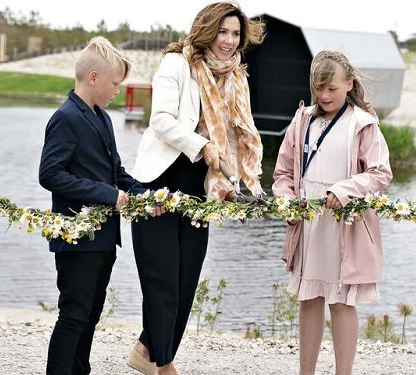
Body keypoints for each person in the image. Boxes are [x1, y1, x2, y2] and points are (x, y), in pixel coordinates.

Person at [127, 2, 265, 374]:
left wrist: (234, 182)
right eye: (223, 31)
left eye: (236, 34)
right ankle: (163, 363)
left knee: (186, 280)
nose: (229, 40)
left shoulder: (237, 77)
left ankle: (146, 349)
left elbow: (235, 139)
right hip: (159, 181)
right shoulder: (176, 64)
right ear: (207, 29)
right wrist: (201, 146)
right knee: (162, 278)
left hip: (199, 189)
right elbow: (160, 121)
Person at [272, 50, 393, 375]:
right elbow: (282, 174)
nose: (324, 96)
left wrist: (344, 190)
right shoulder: (302, 121)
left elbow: (381, 173)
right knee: (309, 300)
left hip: (345, 226)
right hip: (309, 225)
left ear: (349, 83)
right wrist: (286, 200)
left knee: (341, 303)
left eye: (332, 89)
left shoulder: (363, 124)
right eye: (318, 89)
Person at [39, 36, 143, 375]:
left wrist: (147, 193)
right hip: (76, 237)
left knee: (90, 316)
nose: (117, 91)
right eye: (114, 84)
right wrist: (106, 194)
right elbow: (50, 174)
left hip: (104, 239)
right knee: (73, 316)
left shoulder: (103, 118)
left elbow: (116, 172)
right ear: (94, 77)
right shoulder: (65, 117)